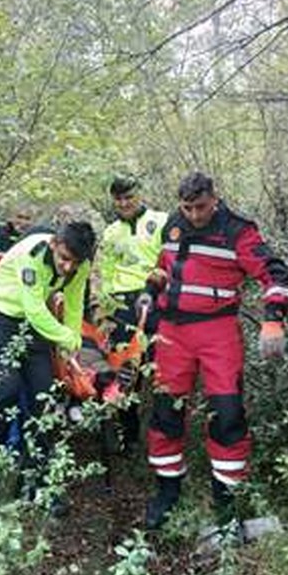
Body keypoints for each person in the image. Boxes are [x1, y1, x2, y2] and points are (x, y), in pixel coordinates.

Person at [142, 171, 288, 534]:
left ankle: (226, 501)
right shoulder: (173, 225)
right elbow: (165, 267)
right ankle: (167, 492)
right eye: (187, 208)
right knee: (165, 413)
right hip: (171, 333)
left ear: (214, 198)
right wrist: (150, 289)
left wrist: (273, 318)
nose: (194, 215)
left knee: (227, 415)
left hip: (217, 333)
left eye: (201, 207)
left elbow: (276, 275)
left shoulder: (237, 230)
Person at [0, 220, 96, 506]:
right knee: (5, 394)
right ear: (54, 245)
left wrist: (72, 343)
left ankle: (35, 481)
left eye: (75, 263)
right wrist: (65, 336)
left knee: (44, 398)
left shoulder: (81, 264)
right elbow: (35, 309)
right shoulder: (32, 254)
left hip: (33, 327)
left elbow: (75, 304)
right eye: (64, 259)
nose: (68, 268)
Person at [94, 175, 167, 450]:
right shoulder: (111, 231)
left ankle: (164, 436)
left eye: (129, 197)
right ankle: (130, 436)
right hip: (122, 306)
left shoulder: (161, 221)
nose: (124, 203)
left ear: (139, 194)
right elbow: (104, 274)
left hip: (155, 298)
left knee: (161, 368)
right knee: (125, 372)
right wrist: (106, 313)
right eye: (119, 199)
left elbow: (169, 259)